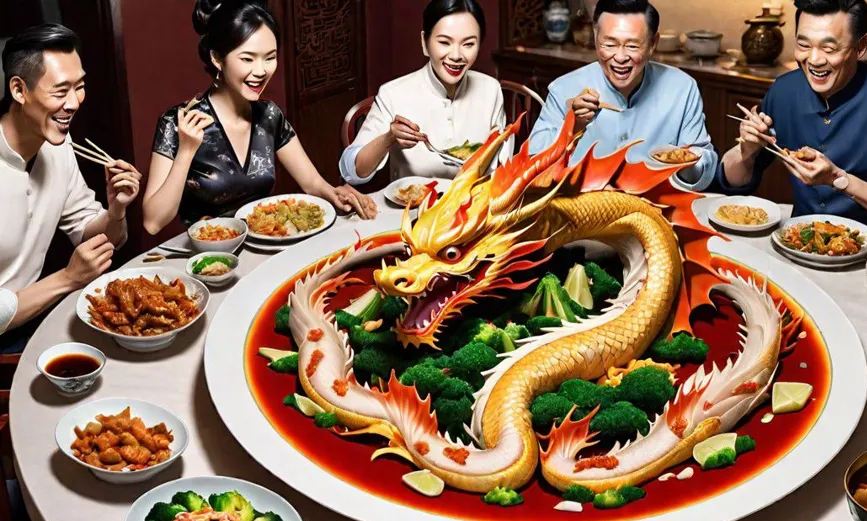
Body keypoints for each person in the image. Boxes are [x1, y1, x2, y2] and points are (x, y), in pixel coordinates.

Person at [143, 0, 376, 234]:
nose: (261, 70)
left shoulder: (269, 115)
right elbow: (152, 222)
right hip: (206, 259)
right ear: (217, 58)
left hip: (265, 243)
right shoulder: (179, 122)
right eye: (247, 59)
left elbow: (312, 183)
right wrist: (186, 152)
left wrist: (337, 194)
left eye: (269, 57)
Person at [718, 0, 867, 240]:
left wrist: (838, 179)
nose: (815, 60)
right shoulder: (783, 92)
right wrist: (746, 151)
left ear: (861, 47)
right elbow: (733, 182)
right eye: (803, 45)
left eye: (829, 49)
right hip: (799, 242)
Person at [0, 24, 142, 345]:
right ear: (20, 90)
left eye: (79, 86)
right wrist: (67, 278)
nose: (75, 102)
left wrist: (116, 210)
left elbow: (96, 235)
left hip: (36, 321)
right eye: (61, 90)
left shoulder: (57, 145)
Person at [527, 0, 717, 192]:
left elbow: (702, 170)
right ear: (595, 38)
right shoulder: (564, 88)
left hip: (657, 210)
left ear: (653, 44)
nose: (620, 57)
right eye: (609, 44)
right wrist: (572, 126)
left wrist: (688, 161)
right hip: (583, 210)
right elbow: (532, 164)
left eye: (633, 46)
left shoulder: (682, 88)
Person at [339, 0, 509, 186]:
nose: (456, 55)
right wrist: (388, 139)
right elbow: (352, 171)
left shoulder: (491, 89)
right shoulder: (393, 94)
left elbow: (500, 163)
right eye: (444, 42)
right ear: (425, 42)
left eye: (468, 44)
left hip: (474, 207)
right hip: (412, 209)